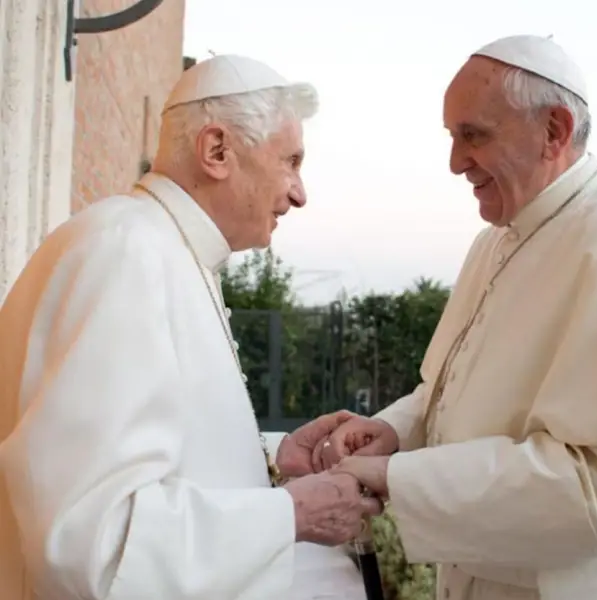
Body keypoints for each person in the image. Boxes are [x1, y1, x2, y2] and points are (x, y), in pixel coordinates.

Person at [278, 35, 597, 600]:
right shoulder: (497, 241)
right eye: (452, 137)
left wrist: (395, 479)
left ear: (554, 131)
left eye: (474, 136)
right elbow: (452, 390)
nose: (455, 161)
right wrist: (393, 431)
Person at [0, 55, 379, 600]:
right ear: (217, 150)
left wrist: (269, 460)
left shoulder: (164, 250)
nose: (300, 193)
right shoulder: (127, 253)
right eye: (291, 161)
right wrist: (292, 514)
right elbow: (93, 544)